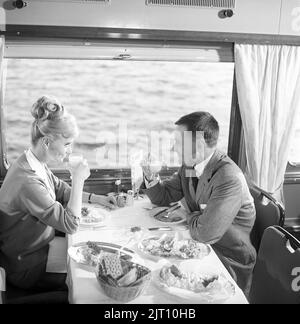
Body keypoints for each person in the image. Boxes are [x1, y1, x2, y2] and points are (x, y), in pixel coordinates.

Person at [0, 96, 117, 292]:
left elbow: (60, 189)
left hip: (37, 248)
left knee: (94, 252)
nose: (69, 150)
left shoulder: (31, 161)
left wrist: (99, 199)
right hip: (25, 266)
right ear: (46, 141)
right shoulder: (27, 181)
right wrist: (78, 179)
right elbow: (71, 224)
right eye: (66, 144)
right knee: (93, 274)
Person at [140, 111, 256, 296]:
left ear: (199, 144)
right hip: (199, 248)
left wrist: (187, 214)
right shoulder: (189, 166)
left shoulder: (228, 178)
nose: (173, 149)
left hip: (226, 261)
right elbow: (164, 196)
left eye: (178, 142)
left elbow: (204, 233)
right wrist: (149, 175)